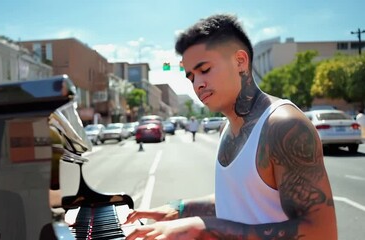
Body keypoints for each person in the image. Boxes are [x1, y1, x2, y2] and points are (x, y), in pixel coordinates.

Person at [125, 13, 337, 239]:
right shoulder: (226, 128)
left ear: (240, 61)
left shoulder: (283, 126)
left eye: (204, 70)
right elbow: (241, 200)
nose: (198, 84)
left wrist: (205, 230)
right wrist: (180, 209)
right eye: (191, 77)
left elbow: (322, 232)